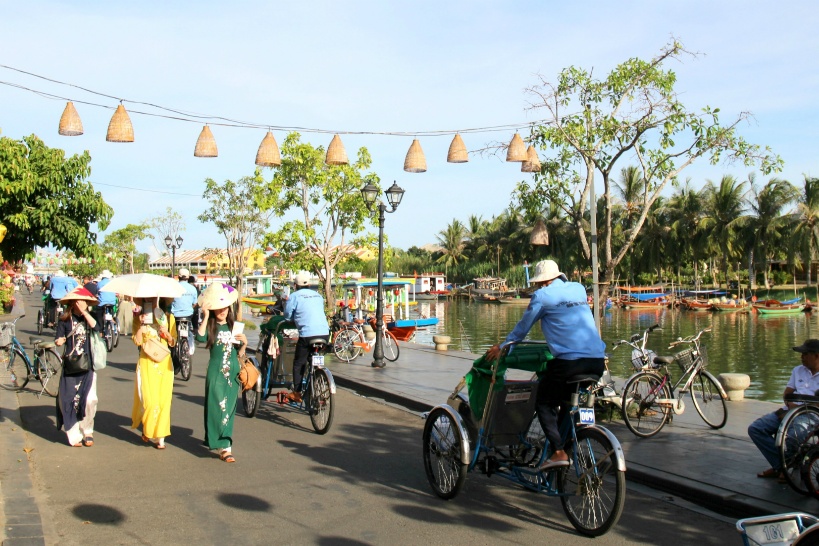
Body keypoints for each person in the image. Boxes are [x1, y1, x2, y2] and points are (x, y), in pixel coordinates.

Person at [485, 260, 606, 471]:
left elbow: (522, 329)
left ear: (543, 282)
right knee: (568, 403)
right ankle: (563, 448)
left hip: (569, 363)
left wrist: (503, 347)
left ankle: (558, 451)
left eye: (540, 284)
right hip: (596, 361)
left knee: (543, 402)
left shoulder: (542, 296)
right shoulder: (578, 289)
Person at [749, 339, 819, 480]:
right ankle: (782, 466)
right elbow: (787, 393)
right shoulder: (797, 370)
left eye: (805, 354)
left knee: (793, 437)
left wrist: (800, 409)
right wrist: (789, 403)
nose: (802, 357)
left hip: (812, 414)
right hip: (790, 410)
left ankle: (783, 467)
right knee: (756, 429)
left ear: (816, 355)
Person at [195, 282, 247, 463]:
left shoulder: (235, 327)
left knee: (229, 409)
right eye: (218, 308)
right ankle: (214, 439)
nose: (222, 311)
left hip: (232, 373)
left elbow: (239, 354)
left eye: (225, 307)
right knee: (216, 407)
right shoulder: (211, 327)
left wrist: (245, 343)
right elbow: (200, 337)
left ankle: (226, 447)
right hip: (216, 373)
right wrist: (205, 315)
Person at [54, 286, 101, 447]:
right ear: (72, 303)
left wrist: (86, 313)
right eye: (79, 302)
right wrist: (59, 340)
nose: (82, 304)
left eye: (86, 302)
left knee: (89, 399)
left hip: (88, 365)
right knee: (68, 400)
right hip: (71, 365)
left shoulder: (91, 317)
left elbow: (97, 328)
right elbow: (58, 337)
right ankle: (74, 435)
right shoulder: (64, 319)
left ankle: (87, 430)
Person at [131, 297, 177, 449]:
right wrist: (141, 326)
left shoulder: (169, 318)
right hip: (147, 362)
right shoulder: (139, 319)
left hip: (164, 363)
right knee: (149, 401)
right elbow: (137, 341)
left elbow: (173, 342)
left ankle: (160, 437)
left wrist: (167, 333)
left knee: (164, 401)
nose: (151, 301)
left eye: (154, 298)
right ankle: (148, 428)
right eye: (148, 299)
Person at [283, 271, 330, 403]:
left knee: (299, 363)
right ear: (309, 285)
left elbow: (287, 316)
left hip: (307, 335)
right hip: (324, 334)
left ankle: (297, 392)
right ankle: (318, 381)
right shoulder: (318, 296)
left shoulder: (294, 296)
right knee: (314, 359)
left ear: (295, 285)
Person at [170, 268, 199, 356]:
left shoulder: (174, 287)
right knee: (188, 332)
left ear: (178, 276)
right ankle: (189, 346)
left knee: (173, 333)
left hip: (175, 315)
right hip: (188, 315)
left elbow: (169, 302)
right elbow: (195, 303)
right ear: (188, 277)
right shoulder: (193, 288)